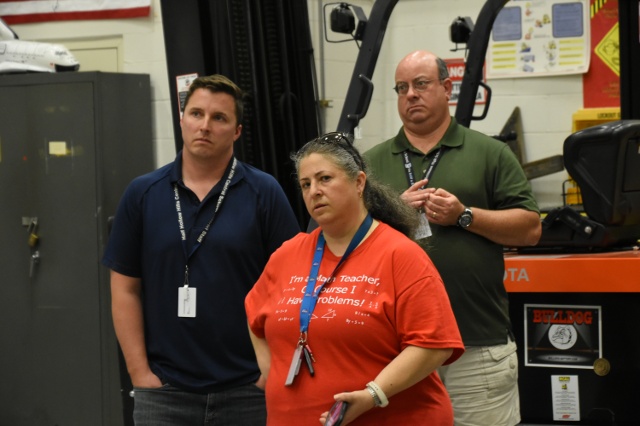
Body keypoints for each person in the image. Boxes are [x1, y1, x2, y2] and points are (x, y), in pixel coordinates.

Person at [102, 74, 300, 425]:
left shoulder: (264, 192)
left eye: (219, 118)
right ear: (182, 120)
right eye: (196, 114)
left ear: (237, 131)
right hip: (164, 394)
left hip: (247, 391)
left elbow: (292, 288)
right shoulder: (143, 193)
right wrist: (140, 374)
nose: (205, 126)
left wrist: (269, 371)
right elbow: (124, 288)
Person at [363, 50, 542, 426]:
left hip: (477, 346)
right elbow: (341, 239)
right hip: (395, 351)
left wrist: (464, 215)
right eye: (402, 88)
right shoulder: (371, 164)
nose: (411, 94)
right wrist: (395, 214)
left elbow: (530, 228)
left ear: (447, 88)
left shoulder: (490, 153)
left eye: (421, 84)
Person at [245, 132, 465, 425]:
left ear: (359, 182)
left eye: (325, 179)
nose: (314, 191)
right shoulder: (288, 254)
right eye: (306, 184)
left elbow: (434, 344)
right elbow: (254, 316)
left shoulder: (400, 255)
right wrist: (274, 374)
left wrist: (373, 394)